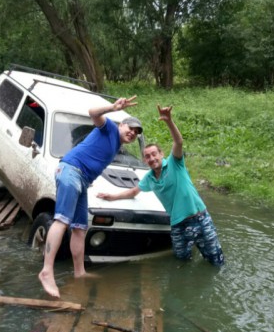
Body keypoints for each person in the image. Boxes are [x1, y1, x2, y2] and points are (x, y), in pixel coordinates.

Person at [38, 96, 141, 298]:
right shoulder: (109, 127)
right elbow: (93, 113)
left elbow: (93, 156)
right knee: (62, 220)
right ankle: (47, 270)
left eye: (136, 134)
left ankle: (80, 272)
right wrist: (113, 107)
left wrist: (88, 179)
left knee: (79, 228)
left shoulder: (115, 145)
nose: (132, 133)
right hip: (71, 171)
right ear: (122, 125)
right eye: (131, 128)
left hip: (82, 180)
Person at [98, 105, 224, 267]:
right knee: (181, 262)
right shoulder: (149, 178)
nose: (151, 158)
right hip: (177, 225)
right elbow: (133, 192)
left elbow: (178, 141)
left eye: (154, 154)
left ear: (161, 154)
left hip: (199, 219)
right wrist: (112, 197)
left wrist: (169, 121)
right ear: (144, 160)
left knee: (216, 261)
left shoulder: (175, 164)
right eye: (147, 157)